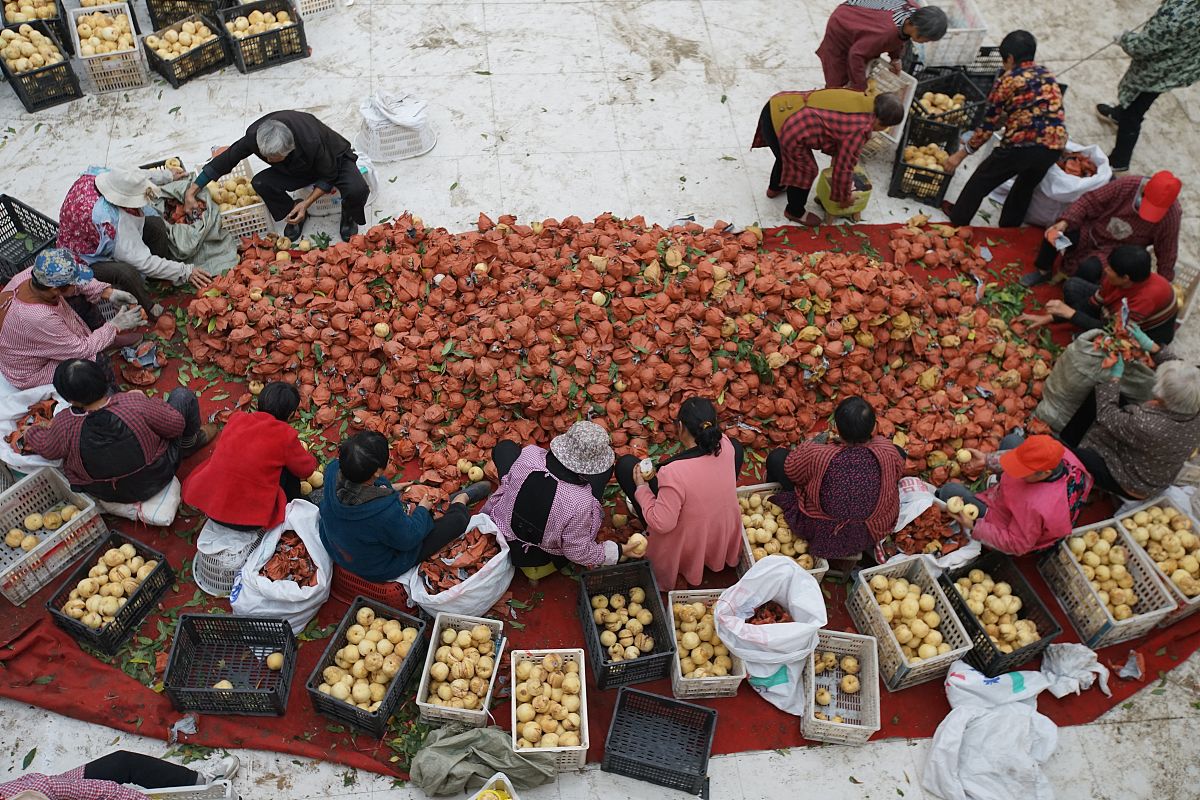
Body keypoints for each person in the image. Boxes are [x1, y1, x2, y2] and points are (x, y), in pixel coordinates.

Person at [23, 359, 216, 503]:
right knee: (182, 396)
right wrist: (146, 402)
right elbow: (175, 427)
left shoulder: (64, 423)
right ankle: (190, 444)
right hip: (157, 475)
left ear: (70, 400)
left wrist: (30, 431)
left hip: (103, 491)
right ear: (104, 380)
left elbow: (48, 449)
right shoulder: (131, 403)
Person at [318, 431, 491, 582]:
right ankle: (460, 499)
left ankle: (439, 503)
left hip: (338, 546)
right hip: (374, 565)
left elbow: (352, 489)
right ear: (377, 471)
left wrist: (389, 488)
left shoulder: (333, 468)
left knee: (409, 503)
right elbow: (409, 539)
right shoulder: (383, 512)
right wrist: (422, 509)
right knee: (456, 521)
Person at [613, 398, 744, 589]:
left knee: (626, 466)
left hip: (687, 541)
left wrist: (642, 488)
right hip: (718, 530)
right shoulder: (726, 444)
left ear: (680, 426)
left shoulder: (673, 472)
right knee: (737, 448)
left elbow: (662, 523)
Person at [943, 30, 1067, 228]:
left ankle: (958, 219)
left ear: (1009, 58)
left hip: (1020, 147)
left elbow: (988, 125)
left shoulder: (1007, 80)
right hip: (1054, 146)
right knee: (1024, 188)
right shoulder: (1048, 75)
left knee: (982, 179)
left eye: (1004, 60)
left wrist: (962, 154)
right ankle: (1009, 230)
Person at [483, 421, 633, 581]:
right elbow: (576, 551)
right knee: (604, 474)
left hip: (501, 528)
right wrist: (618, 551)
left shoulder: (529, 454)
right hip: (537, 557)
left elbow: (512, 479)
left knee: (505, 448)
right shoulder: (581, 502)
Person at [184, 111, 367, 242]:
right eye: (267, 156)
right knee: (261, 182)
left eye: (274, 157)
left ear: (290, 147)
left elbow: (328, 175)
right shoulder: (255, 136)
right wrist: (193, 190)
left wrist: (307, 203)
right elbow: (228, 159)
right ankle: (293, 210)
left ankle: (349, 214)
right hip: (295, 168)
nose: (269, 160)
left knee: (357, 189)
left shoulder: (311, 139)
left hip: (333, 160)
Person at [57, 166, 214, 316]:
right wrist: (185, 271)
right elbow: (143, 262)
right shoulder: (109, 221)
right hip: (84, 259)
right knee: (126, 273)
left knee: (156, 226)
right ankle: (147, 307)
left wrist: (167, 176)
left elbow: (135, 177)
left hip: (93, 234)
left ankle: (157, 278)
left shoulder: (101, 176)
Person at [764, 397, 905, 559]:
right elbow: (898, 470)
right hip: (870, 530)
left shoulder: (821, 455)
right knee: (899, 453)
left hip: (825, 531)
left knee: (777, 458)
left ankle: (770, 488)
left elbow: (792, 470)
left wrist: (813, 443)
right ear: (873, 427)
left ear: (837, 427)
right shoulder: (886, 449)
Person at [752, 89, 905, 225]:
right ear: (880, 121)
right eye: (885, 126)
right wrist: (844, 197)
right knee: (806, 169)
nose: (883, 130)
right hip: (788, 126)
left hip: (778, 106)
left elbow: (837, 128)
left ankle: (775, 188)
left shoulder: (864, 98)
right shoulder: (860, 129)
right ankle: (794, 211)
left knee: (785, 156)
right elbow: (844, 168)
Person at [0, 249, 143, 391]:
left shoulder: (37, 274)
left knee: (77, 296)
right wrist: (114, 326)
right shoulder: (37, 317)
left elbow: (79, 285)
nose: (77, 284)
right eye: (73, 283)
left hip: (44, 341)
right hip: (33, 370)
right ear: (55, 290)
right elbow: (81, 350)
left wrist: (107, 293)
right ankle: (109, 397)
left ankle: (108, 341)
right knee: (90, 360)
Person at [181, 381, 317, 531]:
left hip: (210, 506)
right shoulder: (285, 435)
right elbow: (306, 469)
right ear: (290, 414)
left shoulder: (237, 419)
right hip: (249, 521)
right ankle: (296, 502)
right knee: (289, 469)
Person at [1068, 356, 1200, 499]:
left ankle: (1069, 450)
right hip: (1153, 465)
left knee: (1070, 455)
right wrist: (1151, 347)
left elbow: (1106, 413)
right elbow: (1180, 369)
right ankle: (1070, 438)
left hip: (1132, 482)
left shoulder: (1148, 425)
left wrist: (1115, 377)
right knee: (1102, 397)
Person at [938, 434, 1093, 556]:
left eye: (1023, 473)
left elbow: (1017, 545)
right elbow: (1019, 454)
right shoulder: (1060, 454)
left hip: (1015, 526)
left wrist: (974, 526)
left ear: (1045, 473)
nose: (1015, 473)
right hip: (1017, 502)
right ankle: (999, 486)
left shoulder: (1036, 507)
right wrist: (987, 460)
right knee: (1013, 441)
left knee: (949, 492)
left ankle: (988, 506)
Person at [1095, 0, 1200, 172]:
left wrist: (1125, 39)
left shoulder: (1174, 15)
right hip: (1185, 64)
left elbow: (1145, 46)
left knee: (1135, 110)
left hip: (1159, 70)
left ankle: (1119, 160)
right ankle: (1119, 114)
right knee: (1135, 101)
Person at [1026, 170, 1181, 286]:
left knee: (1089, 269)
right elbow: (1089, 201)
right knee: (1054, 235)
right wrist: (1065, 222)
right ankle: (1043, 271)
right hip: (1093, 232)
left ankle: (1073, 292)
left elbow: (1167, 251)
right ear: (1144, 190)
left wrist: (1163, 285)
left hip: (1116, 250)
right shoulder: (1126, 185)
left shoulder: (1171, 215)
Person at [1021, 245, 1177, 345]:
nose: (1106, 270)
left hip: (1144, 332)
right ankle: (1088, 326)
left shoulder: (1144, 300)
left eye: (1111, 269)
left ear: (1125, 278)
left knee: (1110, 344)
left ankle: (1089, 332)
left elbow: (1113, 332)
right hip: (1115, 310)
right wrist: (1049, 318)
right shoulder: (1115, 279)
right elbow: (1092, 303)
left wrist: (1071, 314)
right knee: (1073, 286)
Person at [0, 750, 239, 800]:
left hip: (68, 788)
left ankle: (198, 783)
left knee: (122, 763)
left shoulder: (41, 788)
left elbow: (106, 790)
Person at [816, 1, 948, 91]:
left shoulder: (914, 11)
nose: (926, 42)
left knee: (863, 57)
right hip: (843, 23)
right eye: (926, 38)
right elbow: (856, 55)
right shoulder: (885, 33)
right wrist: (860, 88)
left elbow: (900, 36)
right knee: (837, 76)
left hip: (864, 15)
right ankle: (827, 101)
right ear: (916, 27)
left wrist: (896, 58)